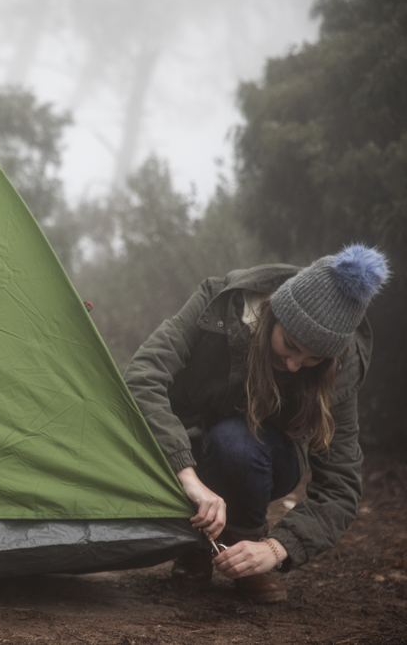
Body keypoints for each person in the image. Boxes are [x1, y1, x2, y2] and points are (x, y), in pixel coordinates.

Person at [124, 245, 388, 603]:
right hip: (185, 449)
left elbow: (340, 486)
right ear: (272, 312)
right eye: (289, 345)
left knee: (235, 441)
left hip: (262, 458)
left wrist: (275, 549)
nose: (295, 365)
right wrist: (186, 475)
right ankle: (194, 545)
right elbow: (143, 376)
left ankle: (241, 544)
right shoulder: (217, 303)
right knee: (210, 442)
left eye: (313, 358)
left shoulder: (339, 369)